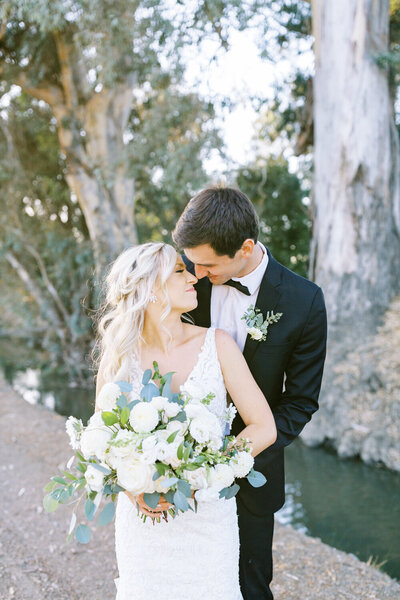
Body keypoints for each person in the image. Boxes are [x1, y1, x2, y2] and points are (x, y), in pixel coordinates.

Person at [93, 241, 277, 600]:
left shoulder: (218, 344)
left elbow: (263, 427)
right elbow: (102, 440)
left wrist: (202, 473)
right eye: (179, 270)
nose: (193, 276)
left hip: (206, 517)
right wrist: (133, 487)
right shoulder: (117, 358)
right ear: (149, 288)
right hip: (143, 524)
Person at [172, 186, 327, 600]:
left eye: (206, 264)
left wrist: (245, 450)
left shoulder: (304, 301)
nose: (196, 273)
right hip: (175, 464)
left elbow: (300, 401)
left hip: (252, 476)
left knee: (249, 587)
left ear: (245, 247)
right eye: (191, 262)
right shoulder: (185, 283)